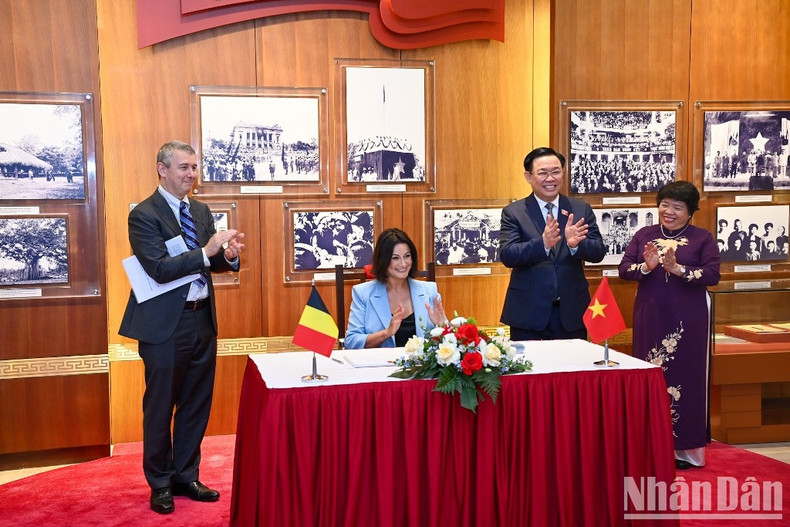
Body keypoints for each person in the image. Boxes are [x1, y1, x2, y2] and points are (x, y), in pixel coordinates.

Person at [119, 141, 246, 514]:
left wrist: (227, 258)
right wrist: (207, 252)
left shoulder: (201, 210)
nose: (191, 174)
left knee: (196, 403)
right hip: (164, 327)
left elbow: (209, 263)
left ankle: (185, 475)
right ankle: (159, 482)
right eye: (183, 167)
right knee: (160, 406)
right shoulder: (144, 215)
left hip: (201, 318)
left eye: (194, 167)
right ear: (162, 169)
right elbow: (158, 267)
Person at [618, 181, 720, 470]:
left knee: (688, 376)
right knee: (649, 375)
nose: (669, 211)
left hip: (690, 318)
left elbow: (712, 275)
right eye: (665, 204)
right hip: (650, 314)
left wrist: (678, 270)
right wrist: (646, 267)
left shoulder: (702, 238)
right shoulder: (645, 234)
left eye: (677, 207)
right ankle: (648, 445)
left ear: (690, 212)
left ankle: (686, 450)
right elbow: (624, 269)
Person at [499, 146, 606, 340]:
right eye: (543, 173)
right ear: (528, 176)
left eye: (556, 172)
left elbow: (598, 252)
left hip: (571, 312)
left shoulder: (580, 208)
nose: (550, 179)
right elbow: (508, 254)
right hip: (528, 313)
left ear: (563, 173)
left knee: (571, 369)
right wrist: (543, 244)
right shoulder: (514, 212)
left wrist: (576, 245)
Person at [345, 228, 445, 349]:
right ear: (383, 260)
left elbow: (451, 342)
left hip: (420, 366)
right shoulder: (363, 293)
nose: (403, 264)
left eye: (407, 256)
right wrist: (387, 333)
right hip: (380, 365)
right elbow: (351, 341)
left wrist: (442, 326)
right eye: (395, 258)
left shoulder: (429, 290)